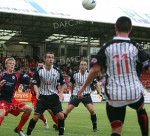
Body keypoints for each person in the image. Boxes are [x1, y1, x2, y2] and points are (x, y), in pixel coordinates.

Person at [78, 16, 150, 136]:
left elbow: (95, 70)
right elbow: (148, 68)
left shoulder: (107, 46)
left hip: (114, 95)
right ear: (130, 29)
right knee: (141, 108)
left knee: (116, 129)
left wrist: (83, 88)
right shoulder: (135, 46)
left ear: (115, 28)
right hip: (134, 92)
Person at [26, 52, 65, 136]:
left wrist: (61, 92)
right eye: (49, 57)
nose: (51, 59)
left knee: (61, 116)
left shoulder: (57, 70)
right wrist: (37, 93)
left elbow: (63, 82)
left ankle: (61, 134)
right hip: (42, 97)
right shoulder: (39, 71)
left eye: (52, 58)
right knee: (36, 116)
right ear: (45, 59)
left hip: (54, 97)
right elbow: (35, 83)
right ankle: (28, 134)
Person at [64, 60, 101, 132]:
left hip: (86, 95)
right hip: (76, 95)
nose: (83, 66)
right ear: (79, 66)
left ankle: (95, 128)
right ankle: (59, 124)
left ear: (87, 66)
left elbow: (96, 83)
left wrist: (100, 92)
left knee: (92, 110)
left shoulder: (91, 74)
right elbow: (72, 84)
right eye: (81, 64)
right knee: (67, 110)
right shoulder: (74, 74)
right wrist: (72, 93)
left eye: (84, 65)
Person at [0, 57, 32, 136]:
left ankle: (18, 128)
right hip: (2, 101)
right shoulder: (1, 75)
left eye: (13, 64)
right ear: (6, 65)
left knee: (28, 109)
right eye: (10, 63)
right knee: (1, 115)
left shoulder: (18, 75)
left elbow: (30, 80)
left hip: (12, 101)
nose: (12, 65)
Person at [30, 60, 59, 130]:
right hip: (35, 96)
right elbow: (31, 84)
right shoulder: (34, 75)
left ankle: (58, 124)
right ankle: (45, 121)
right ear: (37, 67)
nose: (40, 67)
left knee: (51, 111)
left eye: (41, 66)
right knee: (37, 111)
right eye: (39, 66)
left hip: (45, 96)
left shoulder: (46, 75)